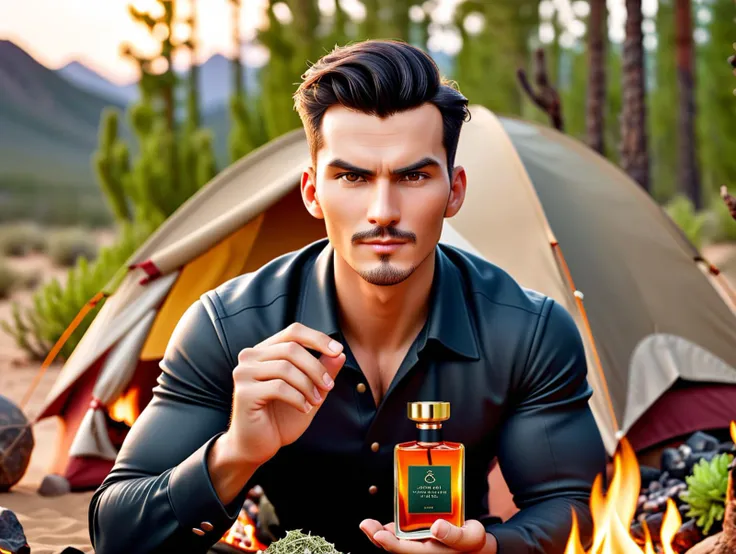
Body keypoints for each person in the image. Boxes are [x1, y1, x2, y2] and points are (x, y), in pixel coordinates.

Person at [89, 39, 607, 554]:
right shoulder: (227, 327)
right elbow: (116, 535)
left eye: (413, 175)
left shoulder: (531, 331)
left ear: (454, 190)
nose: (383, 210)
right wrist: (236, 452)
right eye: (353, 176)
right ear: (313, 192)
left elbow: (570, 507)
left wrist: (489, 549)